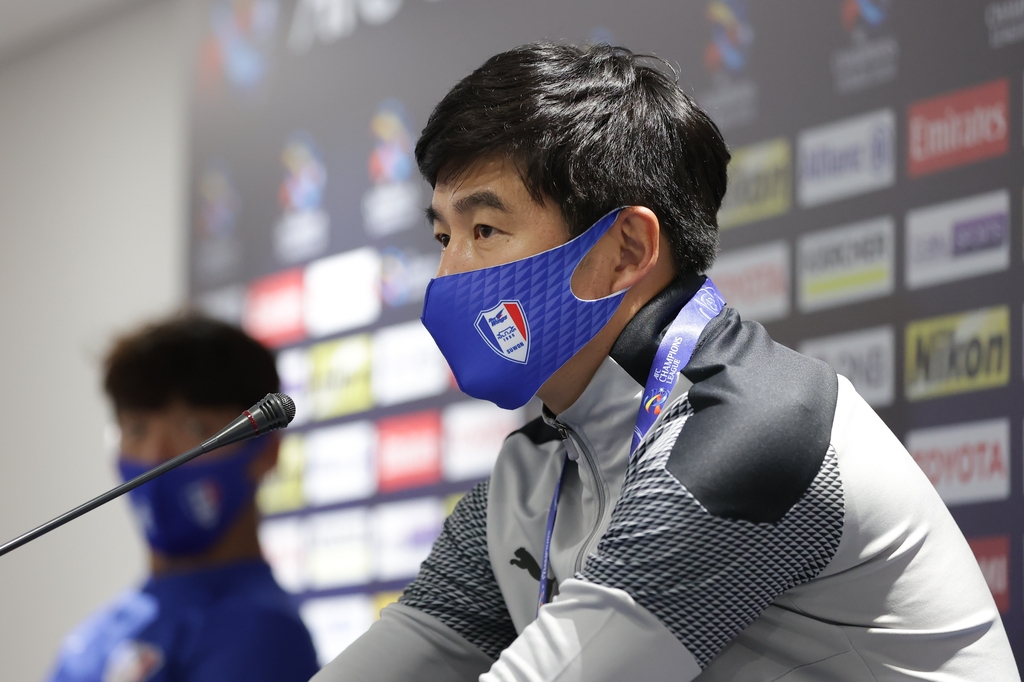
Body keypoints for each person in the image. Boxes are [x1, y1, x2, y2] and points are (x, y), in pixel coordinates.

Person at [312, 42, 1019, 681]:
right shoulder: (529, 478)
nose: (448, 274)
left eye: (486, 230)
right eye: (444, 236)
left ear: (627, 250)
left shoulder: (755, 430)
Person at [45, 316, 319, 682]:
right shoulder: (88, 644)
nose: (157, 456)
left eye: (194, 428)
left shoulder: (262, 631)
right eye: (137, 429)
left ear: (266, 451)